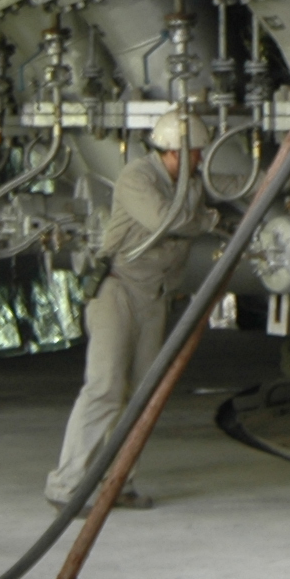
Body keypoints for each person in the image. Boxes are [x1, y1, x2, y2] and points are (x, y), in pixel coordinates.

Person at [45, 109, 211, 512]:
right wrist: (208, 219)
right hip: (117, 290)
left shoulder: (186, 182)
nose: (201, 159)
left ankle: (117, 482)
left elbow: (228, 184)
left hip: (153, 295)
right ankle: (65, 487)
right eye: (195, 152)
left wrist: (285, 177)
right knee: (104, 387)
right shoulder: (138, 177)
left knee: (140, 394)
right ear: (175, 151)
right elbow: (164, 219)